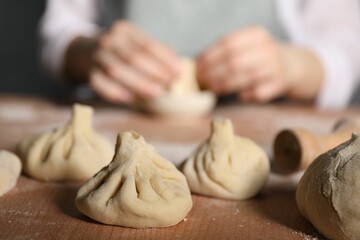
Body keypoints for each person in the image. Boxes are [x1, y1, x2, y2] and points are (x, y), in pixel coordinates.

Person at [40, 0, 360, 109]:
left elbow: (346, 50)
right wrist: (90, 52)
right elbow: (60, 31)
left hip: (271, 140)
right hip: (117, 125)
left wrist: (293, 66)